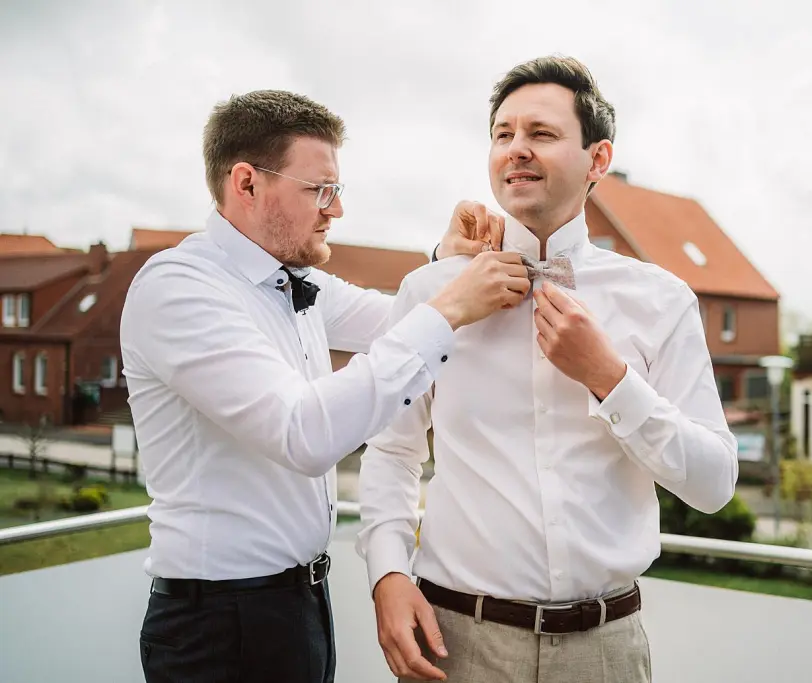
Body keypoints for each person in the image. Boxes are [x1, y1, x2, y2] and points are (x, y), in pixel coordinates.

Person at [120, 89, 531, 683]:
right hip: (218, 624)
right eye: (320, 190)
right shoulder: (178, 289)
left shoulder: (294, 279)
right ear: (247, 183)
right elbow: (303, 432)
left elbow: (392, 319)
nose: (334, 210)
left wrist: (445, 260)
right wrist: (448, 310)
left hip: (299, 606)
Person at [357, 56, 740, 682]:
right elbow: (391, 451)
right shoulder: (429, 292)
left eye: (541, 134)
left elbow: (715, 482)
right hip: (457, 641)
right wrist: (387, 574)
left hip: (606, 652)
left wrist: (612, 381)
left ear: (598, 160)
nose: (516, 150)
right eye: (503, 134)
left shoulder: (662, 300)